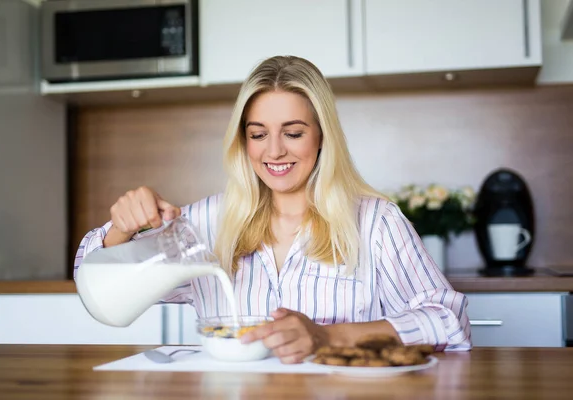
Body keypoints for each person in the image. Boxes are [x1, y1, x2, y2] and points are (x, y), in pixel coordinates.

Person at [74, 55, 471, 364]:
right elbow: (88, 282)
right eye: (258, 134)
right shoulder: (204, 225)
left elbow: (450, 324)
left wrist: (328, 336)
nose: (274, 150)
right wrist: (120, 232)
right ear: (242, 142)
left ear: (322, 137)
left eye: (293, 133)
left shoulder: (375, 222)